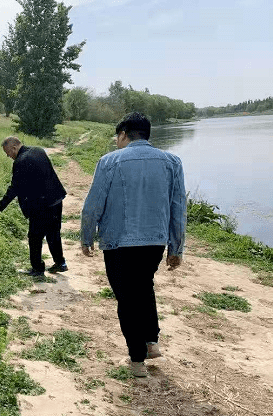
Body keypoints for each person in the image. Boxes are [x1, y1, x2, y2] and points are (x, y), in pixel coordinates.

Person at [80, 112, 186, 377]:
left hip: (118, 243)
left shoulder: (109, 161)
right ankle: (151, 342)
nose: (116, 141)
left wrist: (86, 236)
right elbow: (178, 207)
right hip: (155, 243)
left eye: (118, 136)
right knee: (143, 284)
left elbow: (94, 204)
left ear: (125, 134)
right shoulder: (172, 161)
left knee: (126, 298)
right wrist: (176, 248)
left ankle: (137, 359)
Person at [0, 136, 68, 277]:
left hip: (42, 205)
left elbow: (14, 188)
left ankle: (37, 269)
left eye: (8, 153)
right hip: (56, 199)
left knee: (34, 237)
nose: (8, 156)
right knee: (53, 233)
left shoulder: (21, 161)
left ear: (14, 147)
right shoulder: (38, 150)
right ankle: (60, 263)